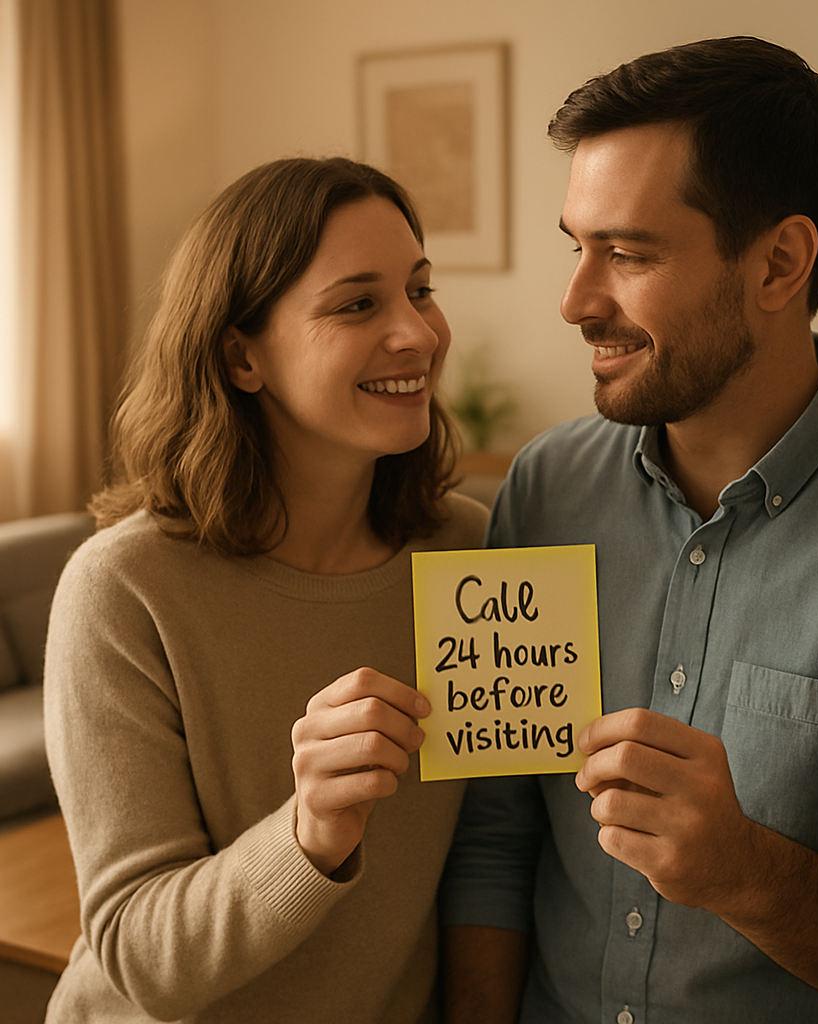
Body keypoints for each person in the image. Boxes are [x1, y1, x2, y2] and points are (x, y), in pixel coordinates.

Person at [441, 37, 818, 1023]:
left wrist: (746, 871)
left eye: (627, 254)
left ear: (780, 262)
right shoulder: (542, 487)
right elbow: (494, 836)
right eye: (576, 246)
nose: (576, 301)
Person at [43, 156, 489, 1023]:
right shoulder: (122, 589)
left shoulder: (471, 551)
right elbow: (140, 954)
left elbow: (495, 845)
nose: (417, 334)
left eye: (420, 290)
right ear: (242, 357)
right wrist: (310, 831)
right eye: (358, 303)